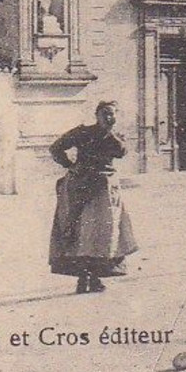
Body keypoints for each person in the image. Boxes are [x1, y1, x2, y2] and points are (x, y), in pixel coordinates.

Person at [49, 101, 138, 292]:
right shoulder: (82, 132)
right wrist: (70, 165)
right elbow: (56, 148)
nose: (109, 118)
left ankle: (96, 277)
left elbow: (121, 152)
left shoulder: (115, 138)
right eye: (105, 113)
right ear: (96, 114)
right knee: (81, 232)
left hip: (105, 189)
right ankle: (82, 278)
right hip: (80, 186)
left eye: (113, 114)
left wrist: (110, 132)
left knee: (103, 235)